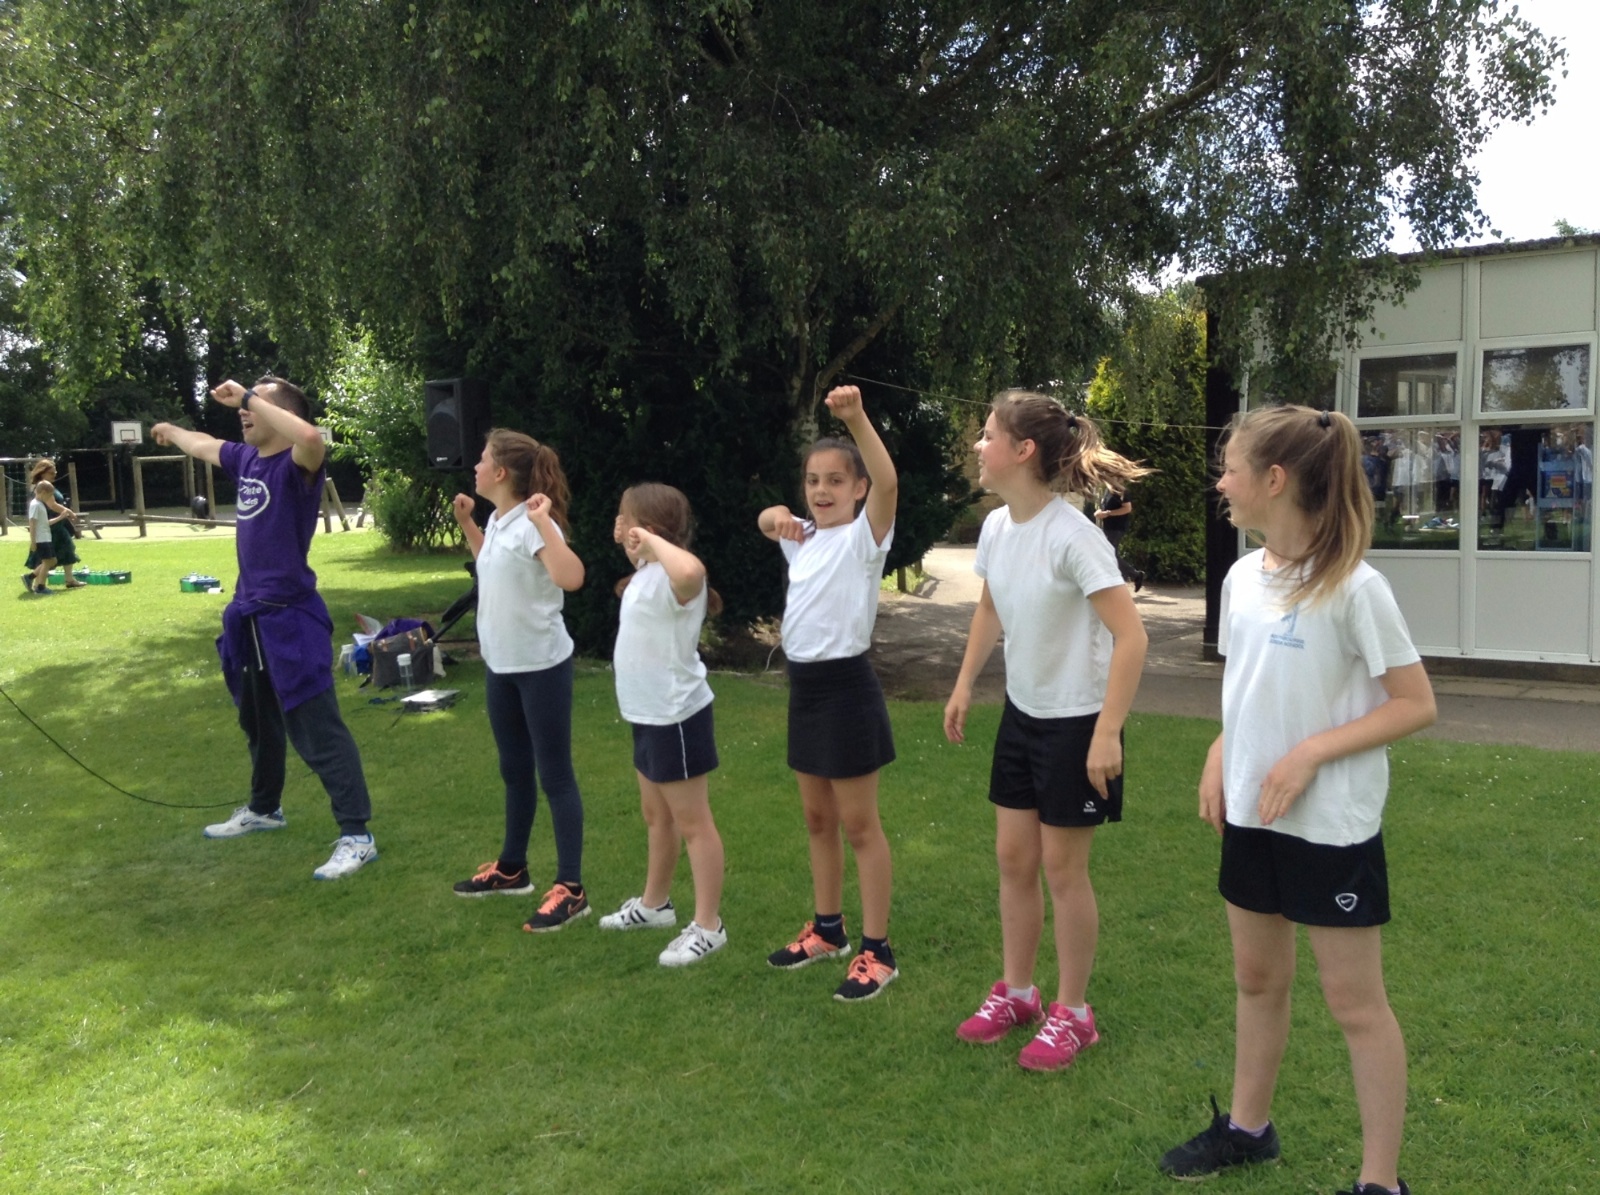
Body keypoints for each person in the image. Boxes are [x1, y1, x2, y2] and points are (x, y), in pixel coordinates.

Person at [1158, 405, 1436, 1195]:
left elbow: (1416, 704)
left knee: (1355, 1003)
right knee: (1256, 977)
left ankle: (1380, 1182)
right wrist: (1221, 749)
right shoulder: (1240, 578)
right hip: (1252, 814)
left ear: (1274, 480)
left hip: (1331, 827)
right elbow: (1254, 687)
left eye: (1230, 469)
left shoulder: (1356, 588)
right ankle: (1249, 1130)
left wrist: (1311, 752)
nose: (1221, 484)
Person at [944, 393, 1149, 1070]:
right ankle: (1019, 993)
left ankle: (1074, 1013)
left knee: (1063, 870)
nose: (979, 446)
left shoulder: (1075, 536)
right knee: (1013, 859)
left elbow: (1132, 637)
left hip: (1077, 723)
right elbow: (990, 608)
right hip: (1023, 715)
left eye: (988, 435)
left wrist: (1107, 732)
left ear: (1023, 450)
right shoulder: (997, 528)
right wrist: (965, 683)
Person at [152, 378, 379, 880]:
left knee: (317, 729)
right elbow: (205, 445)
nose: (244, 412)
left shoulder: (298, 465)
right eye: (245, 405)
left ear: (284, 415)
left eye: (258, 405)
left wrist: (249, 396)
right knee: (259, 722)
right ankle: (265, 808)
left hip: (291, 618)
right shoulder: (247, 460)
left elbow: (312, 438)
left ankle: (357, 836)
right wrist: (172, 430)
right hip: (248, 615)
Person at [757, 384, 900, 1002]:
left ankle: (878, 951)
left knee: (860, 825)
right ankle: (827, 930)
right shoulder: (805, 538)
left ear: (858, 489)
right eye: (813, 480)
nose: (822, 490)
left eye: (836, 480)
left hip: (847, 691)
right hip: (806, 690)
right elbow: (767, 519)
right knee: (818, 819)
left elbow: (890, 482)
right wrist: (775, 516)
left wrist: (857, 419)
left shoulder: (866, 539)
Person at [449, 429, 590, 933]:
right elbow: (493, 565)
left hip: (541, 667)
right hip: (502, 667)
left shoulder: (533, 523)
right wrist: (468, 524)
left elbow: (571, 577)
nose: (476, 467)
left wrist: (544, 521)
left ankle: (571, 890)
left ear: (501, 472)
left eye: (482, 459)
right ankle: (512, 869)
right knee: (514, 769)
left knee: (555, 775)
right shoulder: (498, 520)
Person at [599, 483, 728, 967]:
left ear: (650, 530)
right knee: (657, 817)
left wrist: (650, 541)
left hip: (677, 715)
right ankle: (655, 906)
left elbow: (692, 569)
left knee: (694, 823)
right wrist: (640, 546)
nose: (618, 524)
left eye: (625, 517)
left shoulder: (682, 579)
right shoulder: (648, 574)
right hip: (647, 714)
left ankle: (709, 926)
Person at [30, 459, 87, 587]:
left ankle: (67, 580)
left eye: (55, 472)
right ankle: (35, 581)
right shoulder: (43, 488)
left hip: (56, 524)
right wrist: (68, 512)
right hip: (52, 526)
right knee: (51, 555)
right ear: (42, 473)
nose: (54, 475)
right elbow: (52, 505)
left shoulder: (47, 486)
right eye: (51, 473)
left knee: (62, 551)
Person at [1093, 486, 1146, 591]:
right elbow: (1105, 507)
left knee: (1110, 555)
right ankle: (1131, 576)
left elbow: (1127, 508)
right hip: (1107, 528)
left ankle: (1133, 576)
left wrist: (1108, 513)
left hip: (1117, 528)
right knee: (1108, 554)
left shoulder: (1122, 490)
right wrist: (1099, 512)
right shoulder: (1108, 490)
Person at [23, 476, 59, 595]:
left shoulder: (40, 504)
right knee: (47, 562)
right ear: (43, 493)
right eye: (49, 495)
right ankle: (40, 587)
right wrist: (33, 542)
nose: (50, 498)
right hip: (41, 539)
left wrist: (61, 517)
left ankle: (30, 577)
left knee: (52, 561)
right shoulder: (35, 505)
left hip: (46, 537)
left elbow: (44, 523)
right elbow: (32, 524)